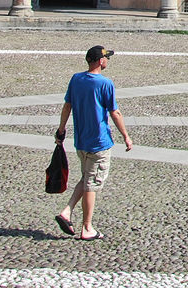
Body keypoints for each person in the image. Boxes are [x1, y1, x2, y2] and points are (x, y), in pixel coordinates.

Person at [54, 45, 131, 241]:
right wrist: (126, 136)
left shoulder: (76, 79)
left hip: (81, 141)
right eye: (106, 58)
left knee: (86, 177)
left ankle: (67, 211)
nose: (108, 61)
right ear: (99, 61)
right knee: (92, 185)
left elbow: (67, 105)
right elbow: (115, 112)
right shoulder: (105, 84)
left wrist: (61, 129)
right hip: (99, 142)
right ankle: (87, 227)